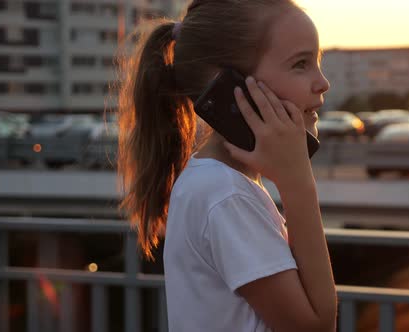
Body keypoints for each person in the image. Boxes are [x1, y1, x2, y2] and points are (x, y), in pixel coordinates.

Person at [116, 0, 336, 331]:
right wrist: (297, 183)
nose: (323, 83)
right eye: (300, 64)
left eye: (316, 61)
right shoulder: (225, 195)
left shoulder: (220, 184)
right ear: (230, 88)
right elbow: (315, 327)